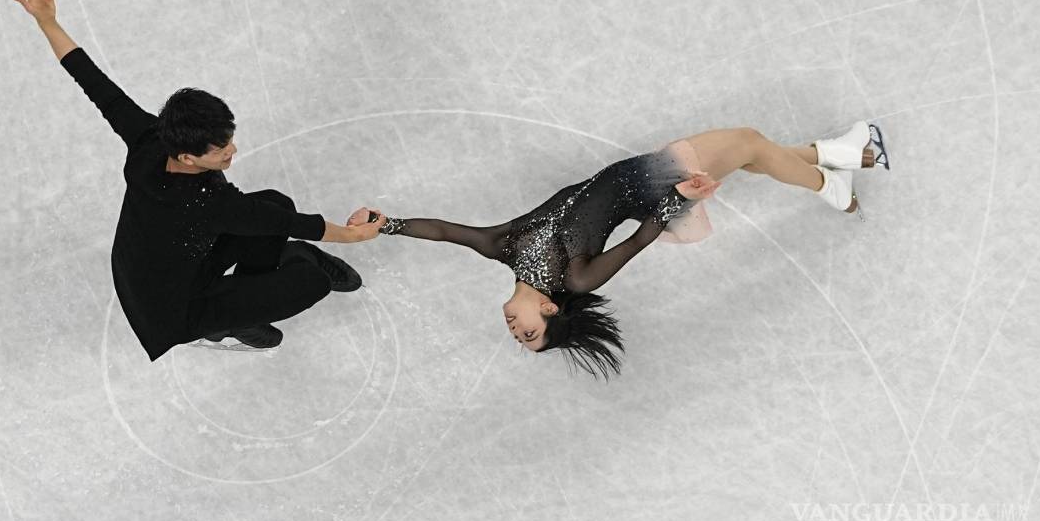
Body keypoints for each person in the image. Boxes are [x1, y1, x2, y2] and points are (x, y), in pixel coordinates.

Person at [14, 0, 388, 360]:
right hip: (172, 308)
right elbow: (293, 226)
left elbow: (94, 82)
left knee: (275, 202)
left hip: (157, 262)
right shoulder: (206, 203)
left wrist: (47, 21)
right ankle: (242, 310)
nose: (232, 151)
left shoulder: (151, 139)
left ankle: (248, 304)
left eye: (229, 138)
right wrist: (356, 235)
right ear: (189, 157)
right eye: (221, 149)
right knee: (310, 280)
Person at [363, 122, 888, 378]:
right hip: (654, 187)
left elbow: (446, 232)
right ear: (549, 309)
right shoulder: (576, 279)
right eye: (529, 334)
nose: (514, 329)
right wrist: (676, 199)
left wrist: (389, 226)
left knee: (749, 154)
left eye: (516, 335)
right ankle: (832, 187)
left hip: (632, 176)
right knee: (748, 143)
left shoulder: (502, 248)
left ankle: (847, 154)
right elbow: (637, 241)